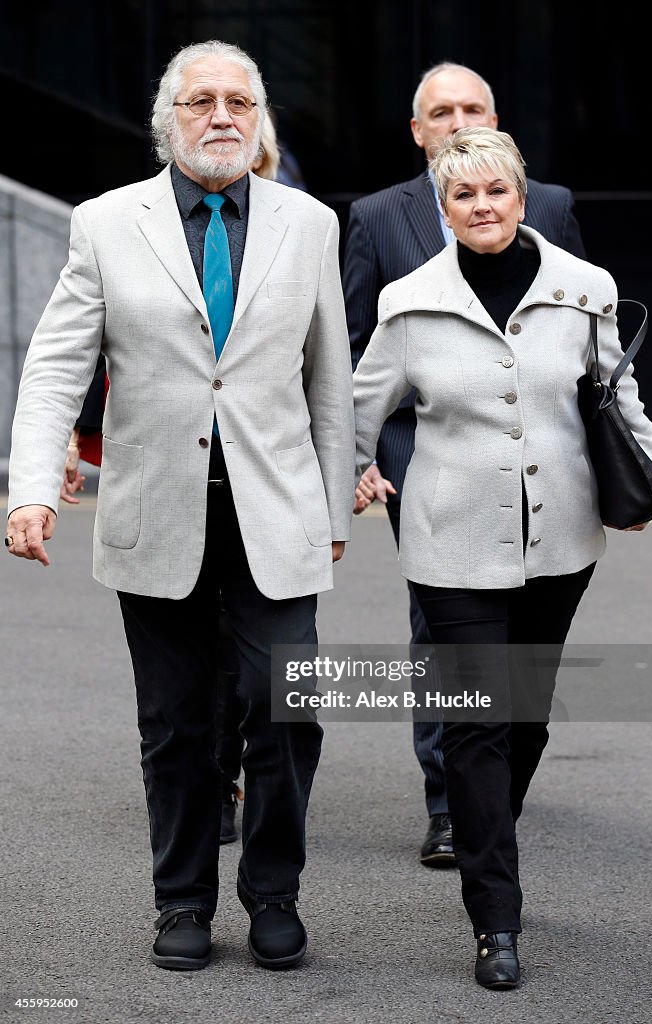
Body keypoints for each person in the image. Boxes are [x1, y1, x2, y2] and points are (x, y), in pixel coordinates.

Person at [6, 39, 355, 972]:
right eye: (201, 100)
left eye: (239, 100)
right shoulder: (106, 223)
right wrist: (32, 487)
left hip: (275, 515)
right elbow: (55, 368)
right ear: (170, 121)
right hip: (156, 511)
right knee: (176, 723)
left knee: (287, 710)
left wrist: (332, 513)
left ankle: (273, 892)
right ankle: (182, 902)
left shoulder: (308, 223)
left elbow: (329, 379)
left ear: (259, 118)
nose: (222, 116)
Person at [352, 126, 652, 988]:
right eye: (463, 196)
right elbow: (357, 404)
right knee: (475, 722)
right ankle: (495, 919)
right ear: (444, 209)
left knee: (523, 718)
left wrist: (650, 482)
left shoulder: (585, 288)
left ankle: (488, 826)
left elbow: (616, 391)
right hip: (448, 540)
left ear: (520, 198)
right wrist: (349, 470)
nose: (482, 207)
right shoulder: (407, 301)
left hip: (561, 535)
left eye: (496, 192)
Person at [343, 61, 586, 868]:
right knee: (440, 637)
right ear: (417, 131)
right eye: (438, 111)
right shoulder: (379, 217)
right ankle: (449, 803)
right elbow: (359, 358)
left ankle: (495, 781)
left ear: (496, 115)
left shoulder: (549, 206)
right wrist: (369, 459)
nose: (455, 119)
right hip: (426, 455)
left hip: (538, 470)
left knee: (526, 652)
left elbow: (586, 345)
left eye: (470, 106)